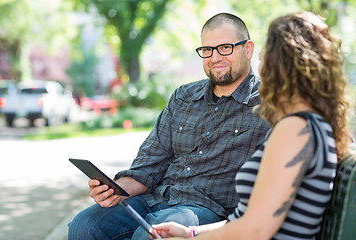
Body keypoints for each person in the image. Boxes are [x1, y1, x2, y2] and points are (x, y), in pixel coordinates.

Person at [67, 12, 270, 240]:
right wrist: (115, 190)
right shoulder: (183, 97)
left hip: (207, 212)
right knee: (83, 226)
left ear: (248, 49)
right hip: (157, 200)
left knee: (150, 236)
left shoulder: (269, 104)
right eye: (207, 50)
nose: (215, 57)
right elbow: (149, 165)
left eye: (225, 48)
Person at [151, 11, 353, 240]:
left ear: (280, 65)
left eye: (266, 55)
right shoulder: (309, 125)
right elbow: (250, 219)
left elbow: (256, 230)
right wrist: (191, 233)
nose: (261, 64)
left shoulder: (295, 129)